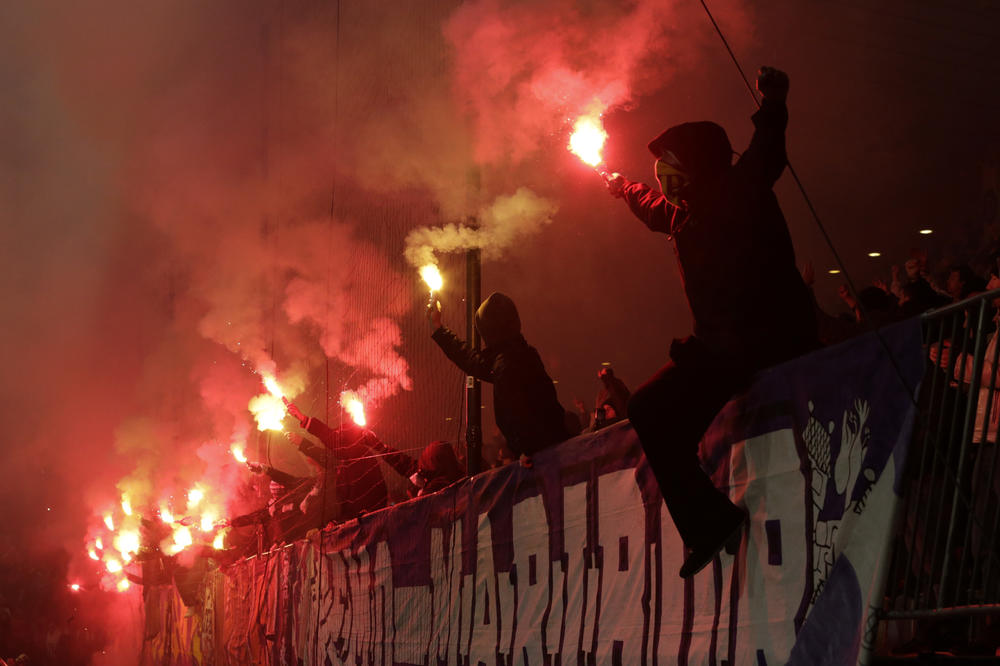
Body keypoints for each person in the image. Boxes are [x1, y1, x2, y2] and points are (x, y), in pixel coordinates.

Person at [605, 66, 819, 577]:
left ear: (698, 164)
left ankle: (708, 519)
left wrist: (773, 96)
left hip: (763, 336)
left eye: (671, 165)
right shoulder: (682, 213)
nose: (663, 177)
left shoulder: (739, 187)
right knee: (648, 408)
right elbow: (651, 206)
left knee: (655, 409)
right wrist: (621, 187)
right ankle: (710, 522)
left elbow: (768, 147)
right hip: (719, 346)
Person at [428, 292, 570, 459]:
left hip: (542, 459)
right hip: (552, 450)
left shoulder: (506, 365)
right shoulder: (521, 354)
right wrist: (439, 329)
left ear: (488, 330)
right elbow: (472, 360)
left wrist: (525, 451)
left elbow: (517, 415)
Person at [286, 402, 390, 520]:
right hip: (359, 522)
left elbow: (332, 441)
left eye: (340, 437)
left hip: (372, 521)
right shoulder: (345, 462)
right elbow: (325, 455)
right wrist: (303, 443)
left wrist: (304, 419)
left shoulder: (360, 456)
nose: (334, 445)